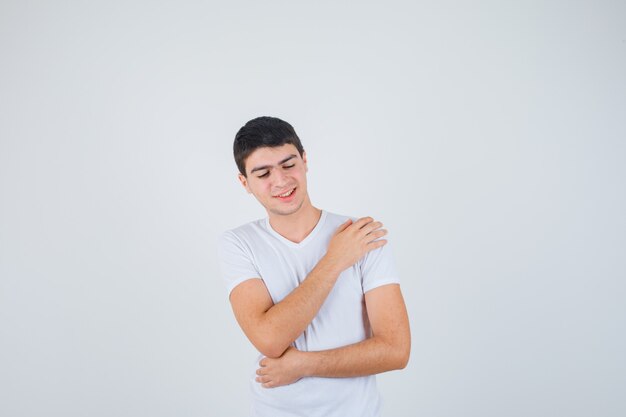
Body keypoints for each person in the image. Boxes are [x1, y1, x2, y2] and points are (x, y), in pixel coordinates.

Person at [217, 116, 411, 417]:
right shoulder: (238, 243)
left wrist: (303, 364)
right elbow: (270, 339)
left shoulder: (361, 235)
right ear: (245, 183)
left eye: (288, 164)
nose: (280, 180)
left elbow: (396, 350)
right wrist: (335, 260)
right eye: (263, 173)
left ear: (305, 160)